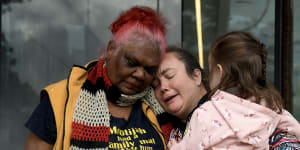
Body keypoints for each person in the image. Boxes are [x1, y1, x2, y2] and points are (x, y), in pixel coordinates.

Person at [24, 6, 168, 150]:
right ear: (111, 49)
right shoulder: (58, 101)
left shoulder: (161, 102)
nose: (140, 75)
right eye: (131, 63)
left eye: (149, 70)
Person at [158, 32, 300, 150]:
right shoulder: (269, 105)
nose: (162, 87)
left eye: (170, 75)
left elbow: (190, 146)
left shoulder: (207, 112)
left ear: (219, 72)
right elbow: (294, 127)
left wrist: (174, 147)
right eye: (155, 84)